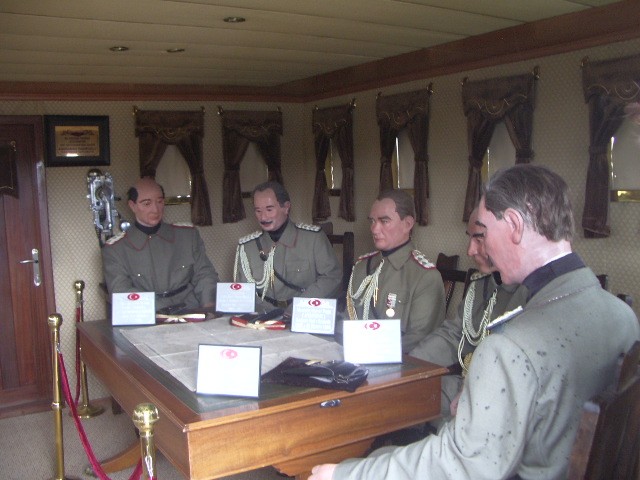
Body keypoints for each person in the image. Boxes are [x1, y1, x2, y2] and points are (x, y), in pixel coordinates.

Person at [309, 164, 640, 480]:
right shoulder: (623, 316)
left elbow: (462, 464)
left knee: (363, 462)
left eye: (484, 231)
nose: (473, 249)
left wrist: (344, 473)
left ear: (514, 224)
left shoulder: (511, 345)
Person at [410, 207, 528, 418]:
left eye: (479, 239)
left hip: (500, 399)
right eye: (470, 238)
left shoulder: (531, 294)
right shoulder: (481, 285)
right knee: (402, 396)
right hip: (464, 383)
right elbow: (453, 334)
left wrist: (474, 393)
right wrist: (410, 367)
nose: (470, 250)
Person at [345, 189, 445, 353]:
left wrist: (370, 350)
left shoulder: (425, 276)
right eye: (372, 221)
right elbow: (348, 319)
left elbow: (420, 339)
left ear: (407, 224)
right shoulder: (362, 267)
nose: (374, 229)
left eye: (384, 221)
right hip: (354, 358)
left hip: (399, 363)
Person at [102, 177, 219, 313]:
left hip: (192, 309)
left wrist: (209, 307)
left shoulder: (188, 235)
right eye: (147, 203)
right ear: (132, 206)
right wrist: (158, 314)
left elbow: (205, 274)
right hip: (148, 314)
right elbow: (121, 291)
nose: (155, 209)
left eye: (160, 201)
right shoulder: (115, 249)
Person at [234, 181, 342, 314]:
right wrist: (269, 313)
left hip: (306, 313)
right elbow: (243, 290)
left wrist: (300, 306)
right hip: (264, 316)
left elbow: (332, 277)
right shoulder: (247, 248)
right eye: (258, 211)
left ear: (286, 207)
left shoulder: (312, 239)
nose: (263, 217)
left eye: (269, 209)